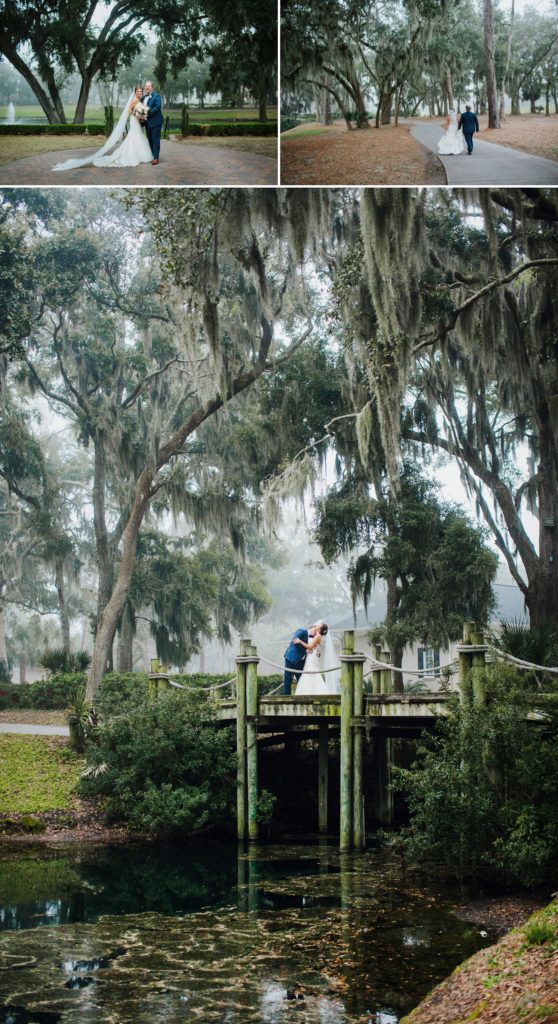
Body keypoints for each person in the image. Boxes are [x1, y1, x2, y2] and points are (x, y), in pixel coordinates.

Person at [52, 84, 154, 172]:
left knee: (137, 136)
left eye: (141, 91)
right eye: (138, 91)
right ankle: (131, 156)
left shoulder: (138, 99)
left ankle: (137, 155)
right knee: (134, 136)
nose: (140, 93)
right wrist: (138, 114)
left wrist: (141, 115)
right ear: (135, 92)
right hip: (134, 120)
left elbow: (135, 111)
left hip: (136, 120)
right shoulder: (134, 100)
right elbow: (129, 111)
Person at [283, 624, 316, 695]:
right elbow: (294, 640)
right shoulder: (302, 631)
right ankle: (286, 697)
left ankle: (300, 696)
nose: (315, 632)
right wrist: (306, 649)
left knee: (301, 681)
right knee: (288, 680)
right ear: (311, 627)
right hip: (291, 658)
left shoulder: (313, 638)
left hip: (301, 662)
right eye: (315, 630)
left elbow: (312, 647)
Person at [142, 81, 164, 165]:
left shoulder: (156, 96)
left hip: (156, 122)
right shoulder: (143, 98)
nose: (147, 88)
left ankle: (156, 158)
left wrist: (147, 112)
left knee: (156, 140)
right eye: (146, 86)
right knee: (150, 140)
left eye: (148, 86)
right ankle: (152, 156)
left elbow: (157, 107)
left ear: (152, 88)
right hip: (147, 123)